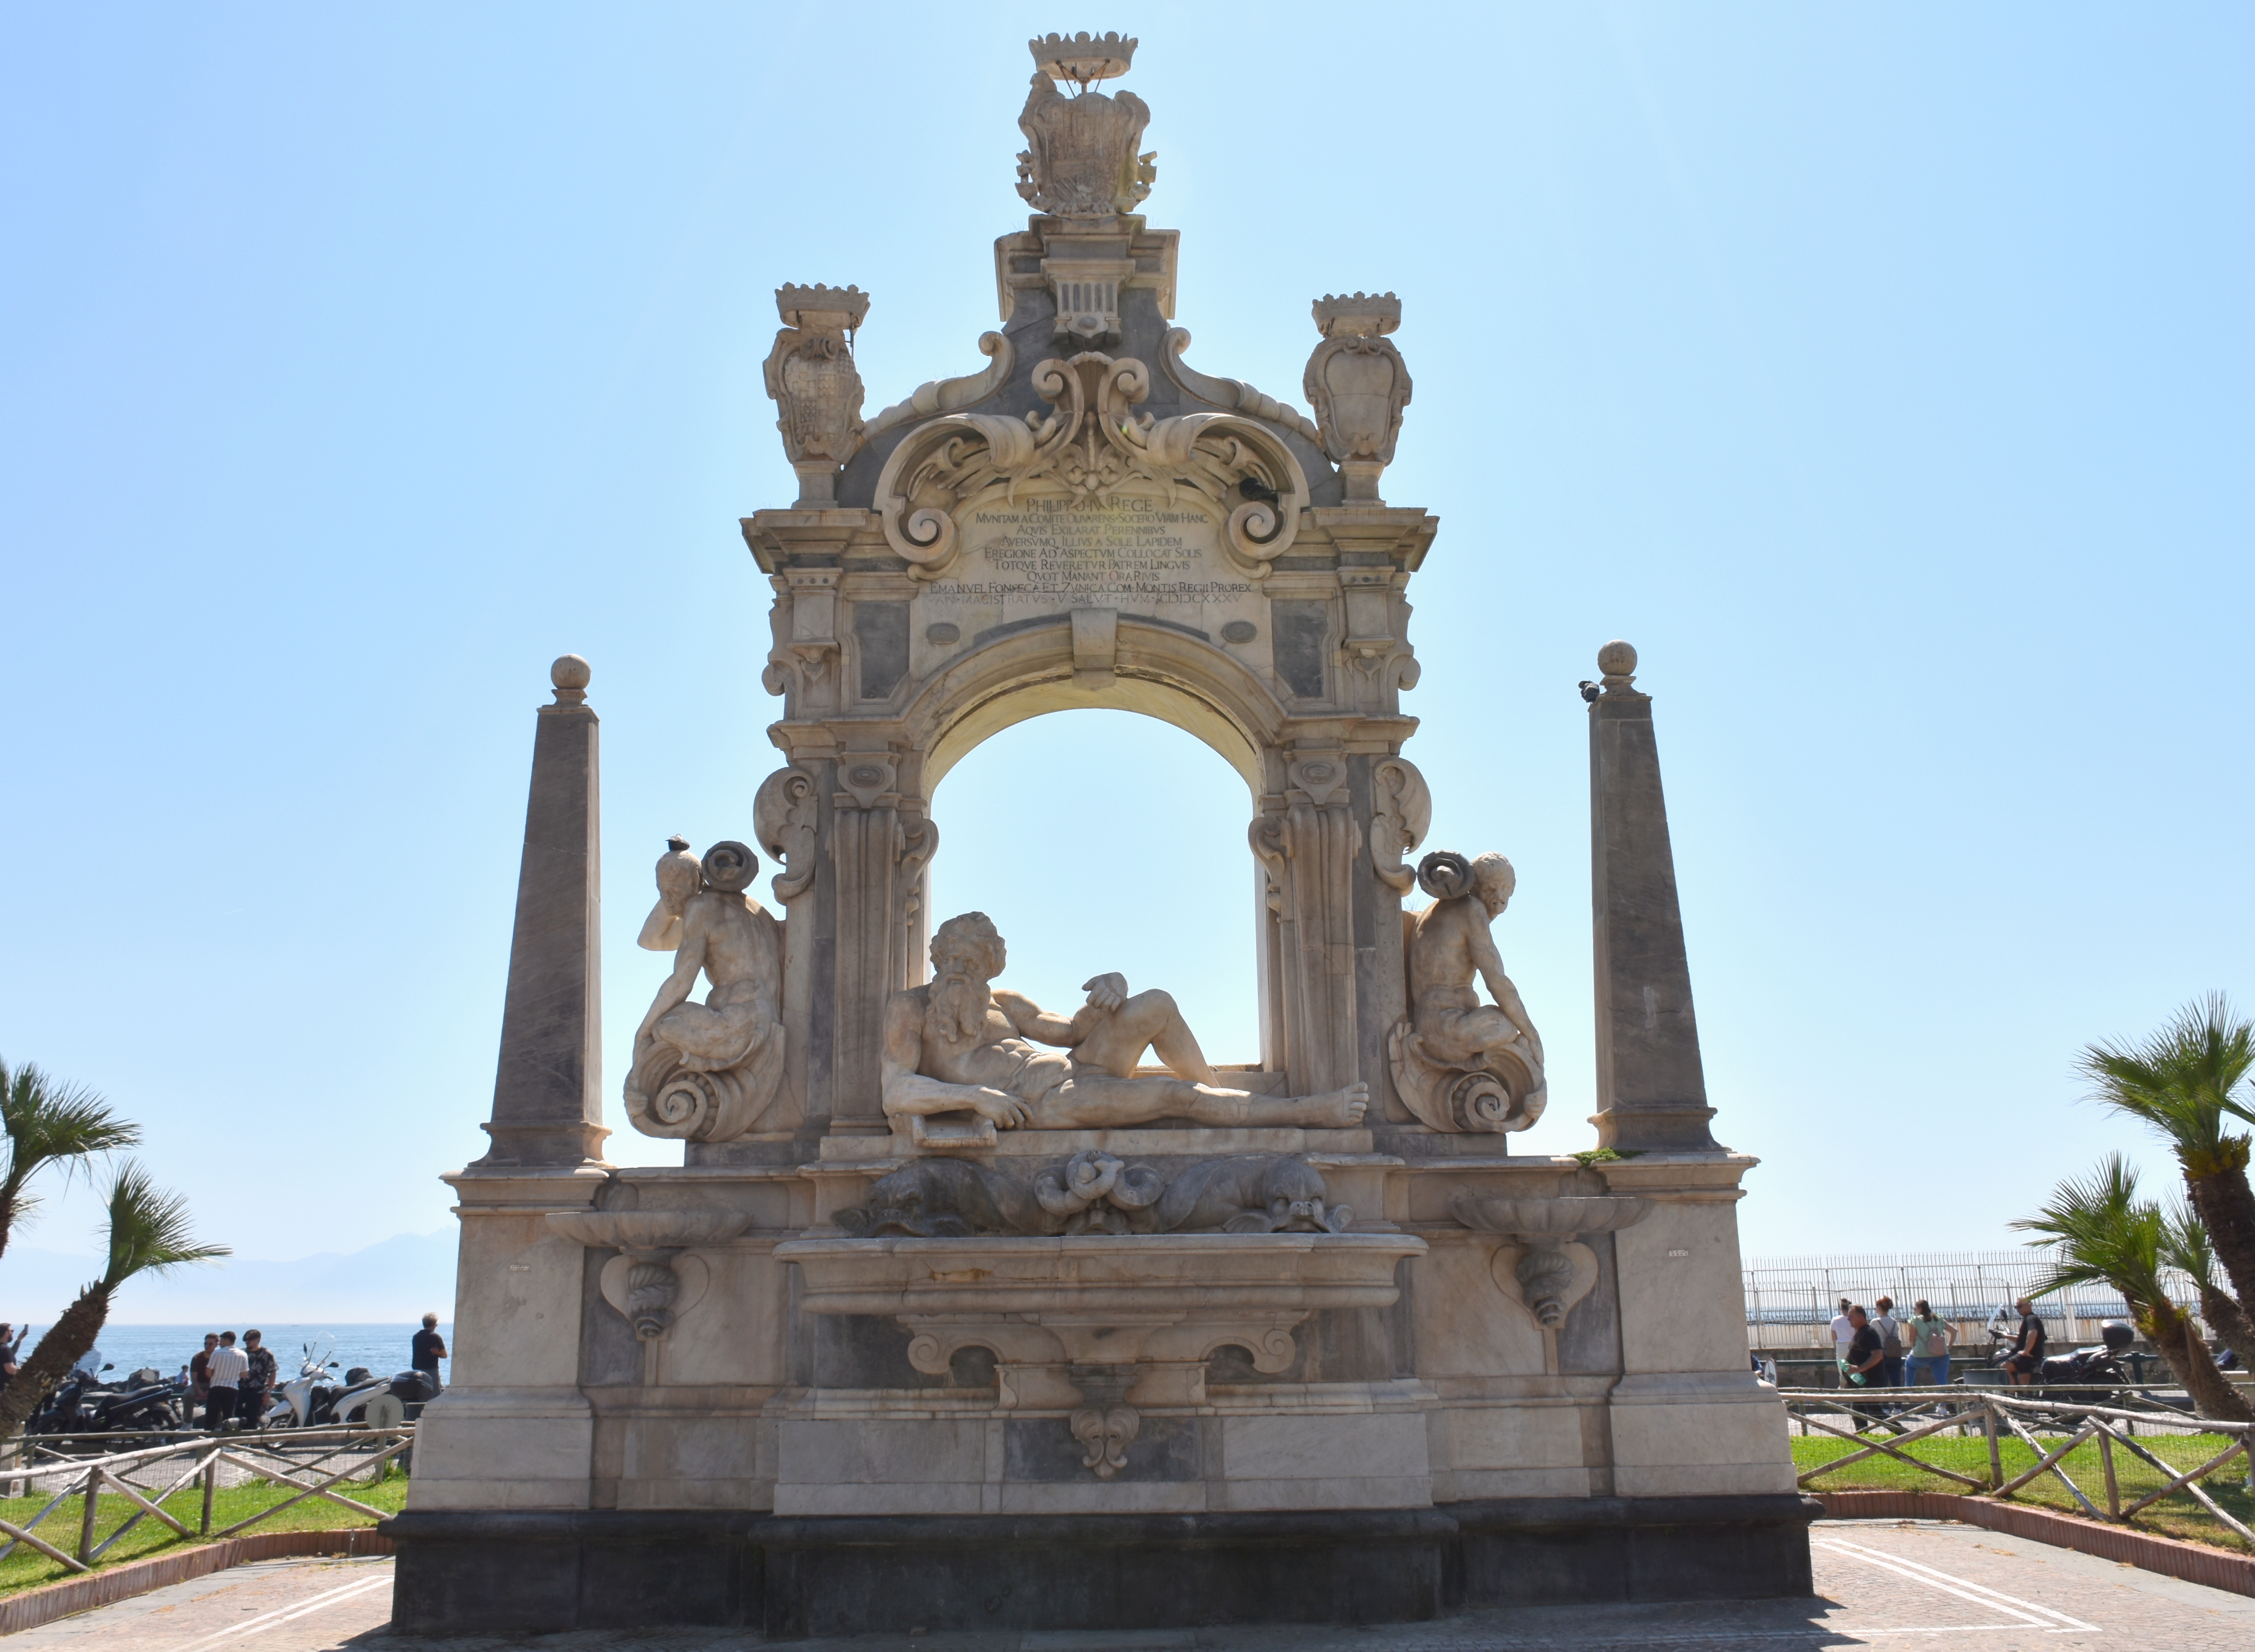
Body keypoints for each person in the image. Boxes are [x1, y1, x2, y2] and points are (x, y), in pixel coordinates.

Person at [880, 912, 1368, 1131]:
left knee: (1156, 1002)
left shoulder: (1003, 1000)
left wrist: (1110, 991)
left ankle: (1223, 1108)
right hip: (1045, 1104)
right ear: (937, 958)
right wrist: (975, 1098)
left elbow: (1069, 1031)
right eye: (954, 961)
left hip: (1073, 1069)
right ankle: (1308, 1112)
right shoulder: (911, 1009)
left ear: (992, 965)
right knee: (1179, 1097)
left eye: (974, 962)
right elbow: (896, 1090)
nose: (962, 972)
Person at [1839, 1305, 1887, 1429]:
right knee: (1857, 1412)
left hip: (1869, 1381)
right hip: (1859, 1382)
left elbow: (1878, 1355)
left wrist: (1859, 1369)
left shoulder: (1869, 1333)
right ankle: (1862, 1437)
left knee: (1875, 1412)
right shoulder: (1860, 1333)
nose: (1848, 1319)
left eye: (1851, 1316)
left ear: (1861, 1317)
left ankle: (1902, 1433)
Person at [1904, 1300, 1954, 1388]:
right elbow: (1955, 1332)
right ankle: (1944, 1401)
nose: (1914, 1311)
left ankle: (1908, 1392)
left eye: (1915, 1309)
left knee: (1909, 1364)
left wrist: (1914, 1348)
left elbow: (1911, 1339)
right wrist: (1949, 1346)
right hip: (1942, 1353)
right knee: (1942, 1380)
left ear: (1920, 1309)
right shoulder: (1939, 1319)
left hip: (1921, 1354)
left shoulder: (1915, 1321)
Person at [204, 1330, 246, 1430]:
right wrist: (234, 1376)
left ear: (227, 1340)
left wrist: (215, 1377)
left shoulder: (217, 1353)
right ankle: (226, 1439)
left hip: (216, 1386)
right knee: (228, 1416)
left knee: (212, 1415)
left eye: (222, 1340)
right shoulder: (243, 1355)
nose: (220, 1343)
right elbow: (245, 1374)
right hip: (232, 1388)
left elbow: (208, 1371)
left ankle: (208, 1437)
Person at [2002, 1296, 2048, 1387]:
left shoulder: (2030, 1318)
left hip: (2029, 1355)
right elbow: (2022, 1339)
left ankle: (2010, 1396)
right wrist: (2005, 1336)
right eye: (2016, 1307)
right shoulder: (2031, 1318)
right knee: (2023, 1375)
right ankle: (2026, 1395)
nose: (2018, 1309)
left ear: (2029, 1305)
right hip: (2034, 1355)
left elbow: (2033, 1333)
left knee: (2004, 1368)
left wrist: (2026, 1351)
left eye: (2020, 1307)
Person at [240, 1330, 275, 1428]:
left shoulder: (266, 1354)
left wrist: (269, 1391)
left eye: (250, 1339)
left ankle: (250, 1442)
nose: (247, 1341)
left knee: (253, 1419)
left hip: (257, 1391)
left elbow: (273, 1372)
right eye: (245, 1339)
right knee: (239, 1417)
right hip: (241, 1389)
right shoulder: (242, 1354)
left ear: (258, 1339)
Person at [1871, 1296, 1906, 1390]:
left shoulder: (1875, 1322)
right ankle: (1898, 1404)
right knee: (1897, 1383)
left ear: (1879, 1308)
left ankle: (1885, 1405)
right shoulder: (1894, 1322)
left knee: (1883, 1384)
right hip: (1895, 1355)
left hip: (1882, 1356)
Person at [411, 1314, 447, 1389]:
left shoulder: (416, 1336)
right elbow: (444, 1355)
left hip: (417, 1370)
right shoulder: (435, 1337)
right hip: (431, 1369)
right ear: (435, 1324)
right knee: (435, 1394)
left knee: (422, 1393)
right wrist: (438, 1353)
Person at [188, 1332, 218, 1422]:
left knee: (220, 1396)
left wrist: (210, 1390)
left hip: (214, 1384)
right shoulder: (197, 1358)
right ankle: (187, 1422)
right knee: (187, 1395)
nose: (207, 1346)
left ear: (217, 1344)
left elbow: (219, 1376)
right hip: (199, 1384)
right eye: (206, 1344)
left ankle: (217, 1422)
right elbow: (194, 1377)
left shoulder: (219, 1357)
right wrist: (199, 1391)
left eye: (210, 1344)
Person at [1829, 1297, 1855, 1371]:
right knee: (1855, 1373)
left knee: (1843, 1372)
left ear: (1841, 1309)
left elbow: (1834, 1339)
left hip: (1841, 1348)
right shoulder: (1854, 1320)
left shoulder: (1835, 1320)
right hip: (1854, 1347)